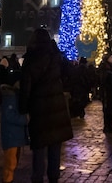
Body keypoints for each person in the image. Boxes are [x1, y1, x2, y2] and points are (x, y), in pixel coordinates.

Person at [19, 28, 73, 183]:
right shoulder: (56, 57)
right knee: (55, 146)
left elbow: (25, 86)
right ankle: (53, 178)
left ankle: (37, 178)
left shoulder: (31, 58)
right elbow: (70, 73)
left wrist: (23, 107)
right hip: (57, 108)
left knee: (39, 148)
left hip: (39, 109)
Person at [0, 70, 28, 183]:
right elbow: (10, 116)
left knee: (13, 161)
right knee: (10, 163)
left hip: (15, 135)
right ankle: (7, 180)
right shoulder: (10, 96)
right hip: (11, 135)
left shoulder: (14, 95)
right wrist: (25, 119)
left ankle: (9, 179)